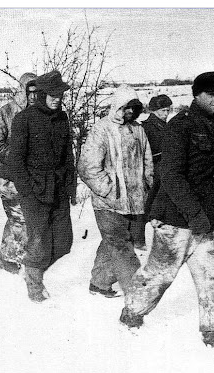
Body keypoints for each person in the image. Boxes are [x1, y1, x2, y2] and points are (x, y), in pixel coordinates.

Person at [119, 70, 214, 352]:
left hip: (206, 210)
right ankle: (132, 312)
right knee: (161, 272)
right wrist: (194, 214)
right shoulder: (181, 125)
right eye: (211, 94)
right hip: (176, 213)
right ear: (197, 95)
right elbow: (171, 175)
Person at [78, 85, 153, 298]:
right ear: (118, 106)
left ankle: (99, 283)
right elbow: (87, 166)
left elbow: (147, 161)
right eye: (127, 107)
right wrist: (108, 189)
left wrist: (147, 186)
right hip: (108, 203)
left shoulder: (138, 129)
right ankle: (136, 293)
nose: (130, 111)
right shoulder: (102, 129)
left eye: (134, 107)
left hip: (133, 201)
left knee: (116, 242)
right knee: (121, 246)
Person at [9, 70, 75, 302]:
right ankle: (34, 284)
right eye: (53, 94)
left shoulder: (62, 118)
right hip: (35, 190)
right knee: (38, 239)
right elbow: (15, 160)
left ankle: (34, 269)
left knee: (64, 241)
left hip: (58, 188)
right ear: (42, 94)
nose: (58, 98)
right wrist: (26, 190)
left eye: (60, 94)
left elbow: (68, 155)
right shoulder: (24, 119)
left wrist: (71, 186)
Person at [0, 72, 38, 274]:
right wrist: (18, 156)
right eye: (30, 92)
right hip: (8, 176)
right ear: (23, 91)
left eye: (37, 92)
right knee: (19, 218)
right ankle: (9, 260)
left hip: (30, 177)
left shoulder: (39, 114)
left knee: (25, 217)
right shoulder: (7, 112)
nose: (34, 96)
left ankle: (15, 254)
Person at [141, 94, 172, 216]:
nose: (166, 114)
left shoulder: (165, 126)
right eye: (163, 111)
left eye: (168, 110)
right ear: (154, 111)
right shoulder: (147, 127)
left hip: (164, 169)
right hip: (154, 170)